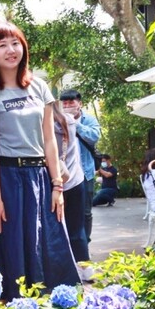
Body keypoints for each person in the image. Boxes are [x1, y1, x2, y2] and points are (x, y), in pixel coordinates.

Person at [0, 22, 80, 300]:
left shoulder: (39, 87)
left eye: (16, 43)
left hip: (40, 179)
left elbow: (49, 141)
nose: (11, 50)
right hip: (7, 178)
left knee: (48, 246)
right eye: (2, 45)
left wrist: (58, 186)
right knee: (10, 246)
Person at [52, 100, 91, 276]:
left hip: (54, 184)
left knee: (56, 227)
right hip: (74, 180)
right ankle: (85, 269)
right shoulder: (69, 121)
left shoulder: (43, 126)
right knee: (77, 228)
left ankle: (62, 269)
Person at [59, 89, 101, 242]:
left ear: (79, 104)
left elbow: (94, 136)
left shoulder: (88, 120)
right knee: (64, 210)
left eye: (71, 102)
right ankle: (68, 243)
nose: (68, 105)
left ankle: (85, 241)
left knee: (85, 212)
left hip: (85, 173)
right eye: (65, 103)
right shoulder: (57, 120)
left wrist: (73, 123)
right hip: (65, 174)